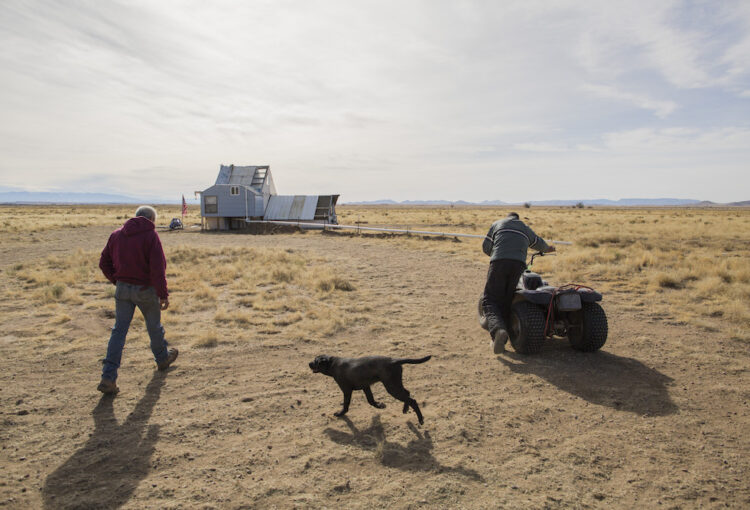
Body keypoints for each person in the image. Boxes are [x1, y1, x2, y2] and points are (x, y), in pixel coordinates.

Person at [97, 205, 178, 394]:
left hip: (123, 289)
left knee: (119, 332)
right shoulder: (150, 236)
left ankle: (108, 377)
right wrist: (163, 294)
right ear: (151, 220)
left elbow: (103, 262)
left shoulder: (116, 235)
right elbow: (158, 268)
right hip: (145, 289)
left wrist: (117, 280)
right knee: (154, 326)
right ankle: (162, 359)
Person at [482, 212, 555, 354]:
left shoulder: (497, 224)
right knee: (507, 299)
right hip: (519, 265)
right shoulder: (524, 227)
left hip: (499, 263)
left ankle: (498, 331)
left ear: (507, 217)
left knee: (489, 300)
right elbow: (538, 243)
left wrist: (497, 252)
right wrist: (548, 249)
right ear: (517, 218)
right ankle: (506, 331)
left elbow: (486, 247)